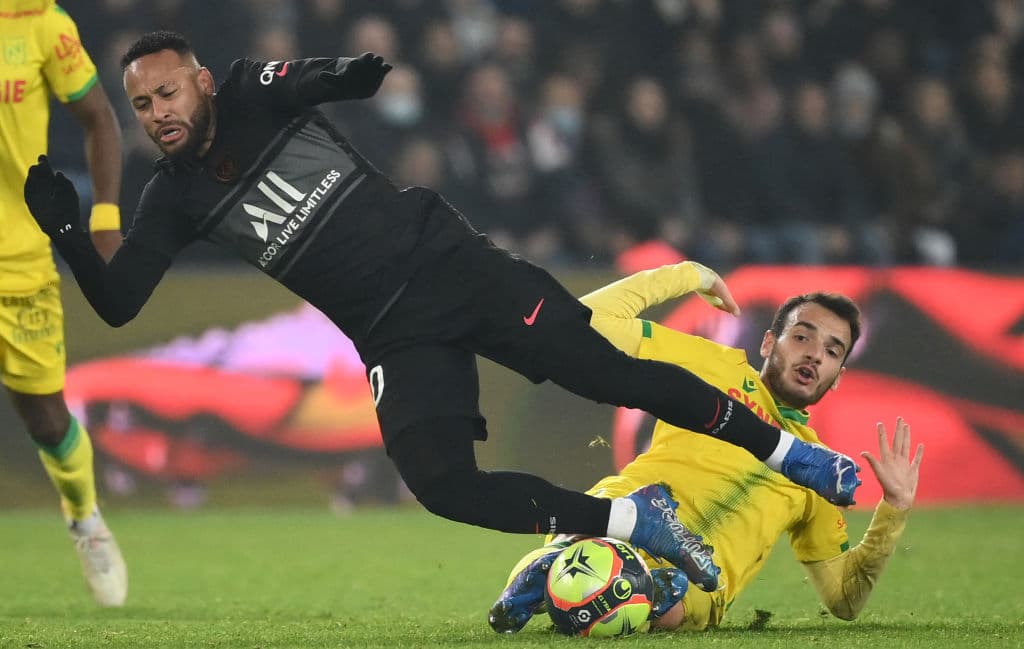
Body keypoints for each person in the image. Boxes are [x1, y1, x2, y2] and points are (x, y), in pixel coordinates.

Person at [23, 31, 861, 594]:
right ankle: (636, 518)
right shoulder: (170, 199)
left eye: (167, 92)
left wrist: (349, 76)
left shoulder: (248, 93)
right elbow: (120, 302)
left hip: (452, 266)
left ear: (199, 82)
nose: (159, 113)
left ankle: (792, 454)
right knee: (444, 486)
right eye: (142, 105)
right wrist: (67, 226)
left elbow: (309, 79)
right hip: (393, 331)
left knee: (613, 375)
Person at [488, 261, 923, 633]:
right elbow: (588, 319)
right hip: (626, 512)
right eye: (802, 337)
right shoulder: (712, 364)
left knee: (664, 597)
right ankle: (575, 563)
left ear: (839, 374)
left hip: (692, 585)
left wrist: (894, 508)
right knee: (605, 551)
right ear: (769, 343)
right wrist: (688, 274)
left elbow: (844, 599)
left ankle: (564, 573)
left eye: (832, 350)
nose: (814, 356)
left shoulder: (817, 470)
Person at [0, 1, 126, 606]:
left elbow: (100, 119)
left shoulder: (38, 21)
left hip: (18, 260)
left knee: (47, 421)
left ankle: (85, 516)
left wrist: (104, 221)